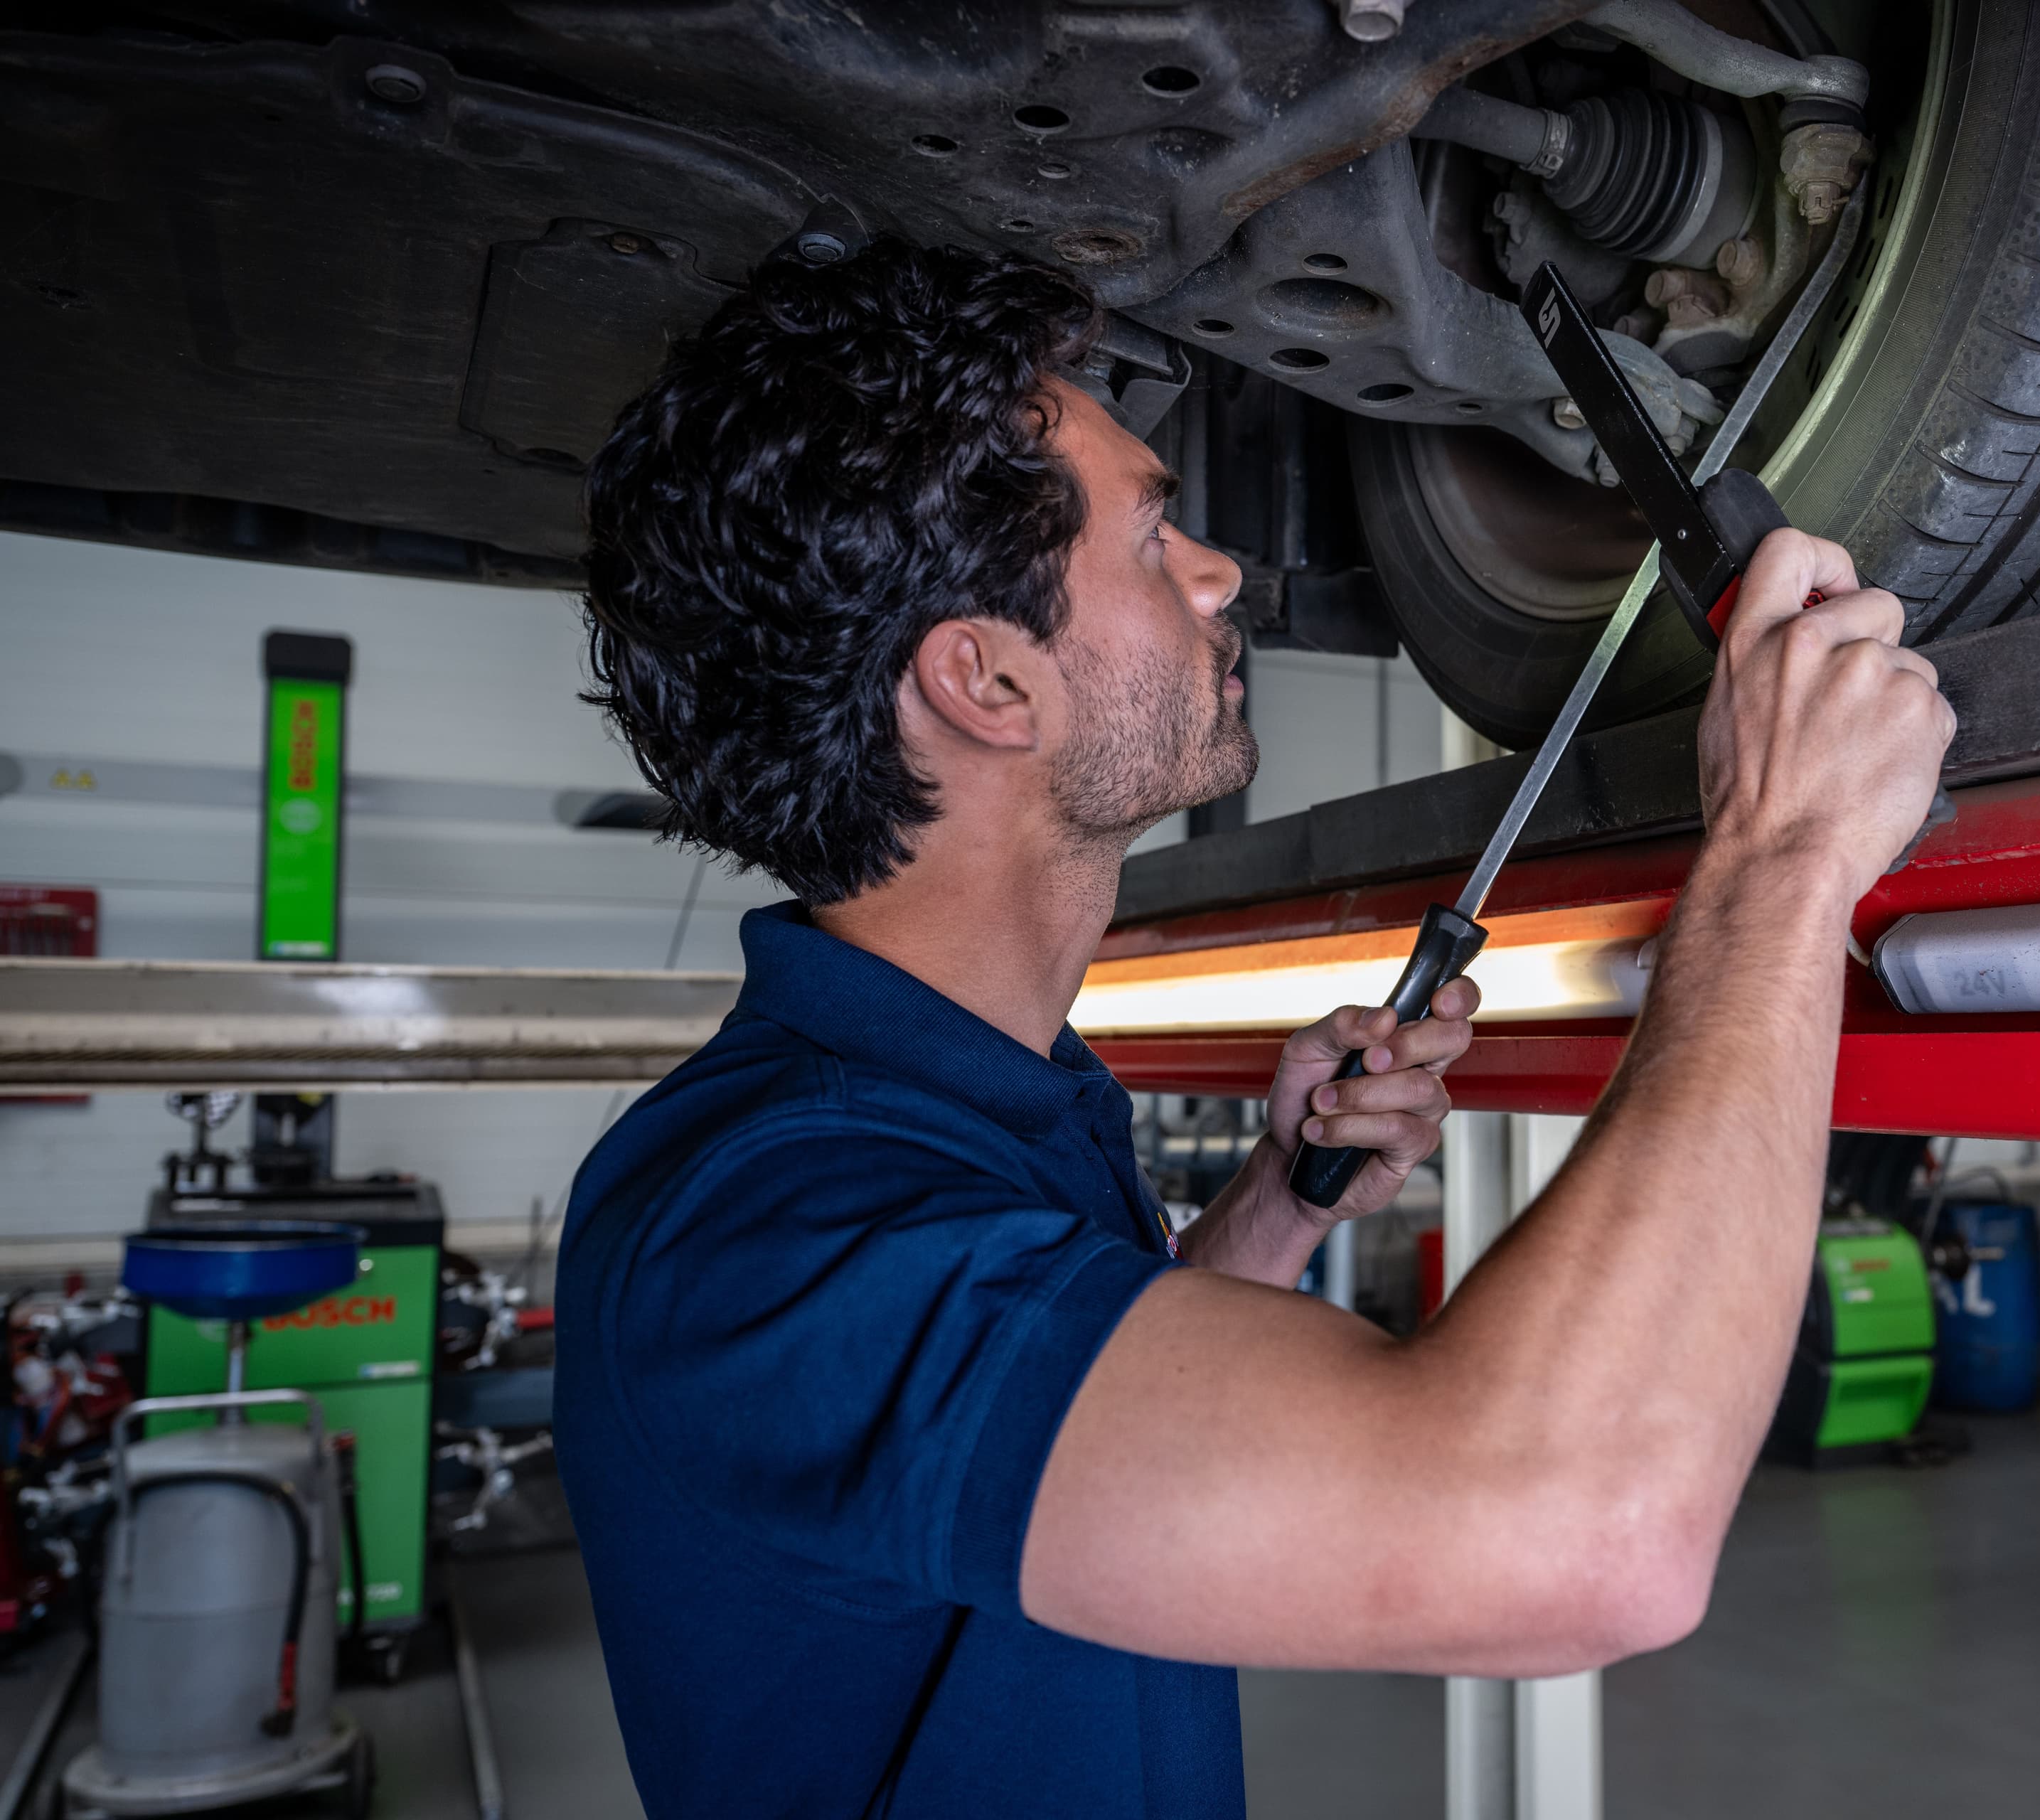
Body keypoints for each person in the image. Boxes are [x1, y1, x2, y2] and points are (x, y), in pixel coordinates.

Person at [555, 237, 1953, 1819]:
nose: (1216, 571)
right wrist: (1785, 855)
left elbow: (1070, 1436)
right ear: (991, 684)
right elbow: (1575, 1537)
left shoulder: (965, 1118)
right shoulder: (767, 1230)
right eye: (1155, 539)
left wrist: (1271, 1212)